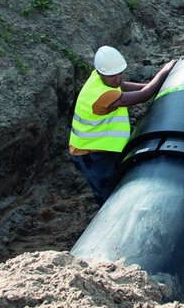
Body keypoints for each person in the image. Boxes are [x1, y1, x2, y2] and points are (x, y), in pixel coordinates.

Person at [69, 46, 176, 205]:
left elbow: (124, 87)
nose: (118, 79)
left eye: (120, 73)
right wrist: (163, 73)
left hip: (103, 147)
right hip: (89, 154)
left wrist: (154, 86)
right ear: (101, 72)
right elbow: (143, 96)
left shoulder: (102, 79)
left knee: (118, 177)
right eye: (113, 76)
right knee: (106, 191)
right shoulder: (102, 94)